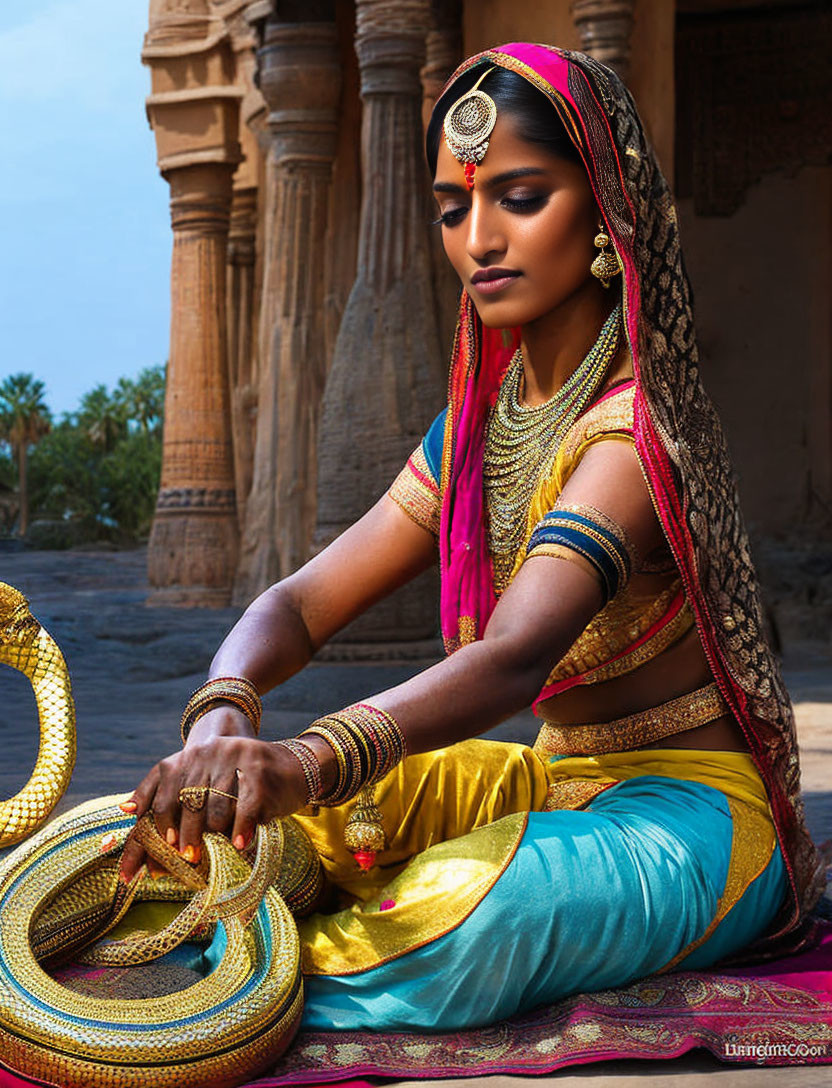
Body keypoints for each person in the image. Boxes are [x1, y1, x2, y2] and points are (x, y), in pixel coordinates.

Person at [118, 43, 825, 1032]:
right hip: (550, 778)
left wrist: (306, 759)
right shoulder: (478, 429)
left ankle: (222, 984)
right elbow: (298, 602)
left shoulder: (632, 430)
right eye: (454, 208)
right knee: (230, 822)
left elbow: (512, 657)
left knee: (468, 906)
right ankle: (227, 936)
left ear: (601, 211)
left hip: (689, 817)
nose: (479, 238)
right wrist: (223, 715)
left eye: (521, 197)